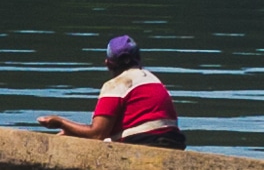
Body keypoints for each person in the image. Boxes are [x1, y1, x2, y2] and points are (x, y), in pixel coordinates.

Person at [40, 35, 183, 149]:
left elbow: (97, 134)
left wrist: (60, 122)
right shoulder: (154, 80)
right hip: (174, 142)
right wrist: (73, 132)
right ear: (139, 59)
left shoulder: (116, 85)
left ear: (108, 63)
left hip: (144, 143)